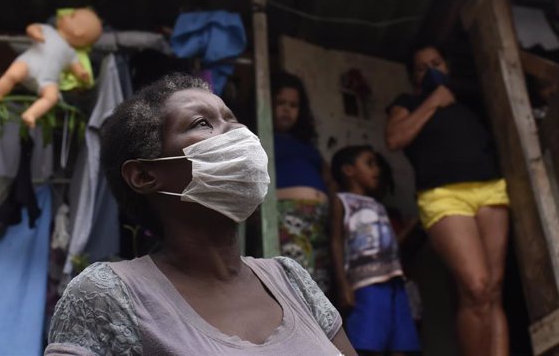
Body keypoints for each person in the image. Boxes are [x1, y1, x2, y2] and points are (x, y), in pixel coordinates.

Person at [45, 73, 357, 356]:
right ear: (143, 175)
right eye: (202, 123)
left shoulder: (291, 279)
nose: (238, 135)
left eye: (233, 120)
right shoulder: (108, 295)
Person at [385, 44, 510, 356]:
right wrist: (433, 101)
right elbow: (394, 138)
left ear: (448, 65)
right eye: (421, 67)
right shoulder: (408, 103)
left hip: (490, 188)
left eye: (436, 62)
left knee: (493, 290)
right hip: (443, 196)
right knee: (476, 287)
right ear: (413, 77)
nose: (430, 69)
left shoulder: (469, 102)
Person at [330, 145, 420, 356]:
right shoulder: (342, 201)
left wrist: (411, 227)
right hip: (365, 284)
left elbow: (390, 245)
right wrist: (344, 285)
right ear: (348, 170)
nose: (377, 170)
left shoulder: (377, 205)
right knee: (368, 345)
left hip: (395, 282)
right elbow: (336, 242)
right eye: (369, 163)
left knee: (401, 345)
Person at [272, 72, 333, 293]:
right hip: (287, 216)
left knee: (319, 285)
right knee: (296, 284)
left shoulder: (307, 146)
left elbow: (329, 179)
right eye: (280, 103)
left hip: (318, 220)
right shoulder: (260, 137)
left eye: (293, 105)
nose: (287, 109)